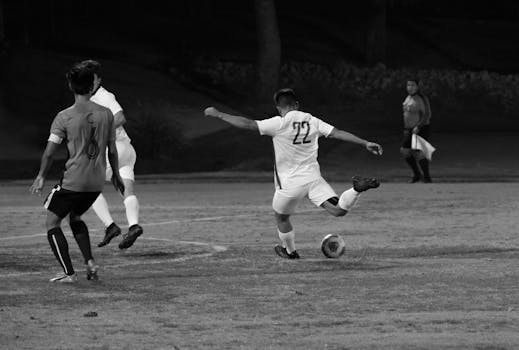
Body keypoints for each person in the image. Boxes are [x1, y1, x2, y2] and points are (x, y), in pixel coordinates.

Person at [204, 88, 383, 259]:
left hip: (290, 185)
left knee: (281, 217)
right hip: (313, 179)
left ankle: (290, 252)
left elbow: (248, 124)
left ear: (278, 107)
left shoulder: (279, 123)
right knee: (338, 211)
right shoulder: (313, 120)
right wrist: (365, 142)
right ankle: (356, 190)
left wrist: (219, 114)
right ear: (296, 104)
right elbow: (337, 133)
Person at [30, 63, 125, 282]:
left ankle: (68, 273)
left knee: (51, 223)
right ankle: (90, 262)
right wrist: (117, 176)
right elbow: (112, 151)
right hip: (96, 183)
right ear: (92, 87)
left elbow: (49, 153)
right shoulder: (107, 115)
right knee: (75, 217)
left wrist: (41, 175)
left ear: (71, 86)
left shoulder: (64, 117)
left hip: (73, 181)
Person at [81, 60, 143, 249]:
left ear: (98, 79)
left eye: (91, 77)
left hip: (113, 148)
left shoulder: (103, 95)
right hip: (126, 149)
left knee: (86, 187)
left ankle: (110, 226)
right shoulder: (89, 97)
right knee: (127, 190)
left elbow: (120, 117)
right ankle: (133, 226)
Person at [401, 78, 432, 183]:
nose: (410, 87)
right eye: (408, 85)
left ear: (418, 86)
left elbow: (427, 114)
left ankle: (427, 177)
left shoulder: (421, 98)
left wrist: (418, 126)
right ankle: (417, 174)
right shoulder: (408, 97)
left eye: (413, 85)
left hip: (420, 129)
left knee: (420, 153)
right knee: (405, 151)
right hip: (409, 129)